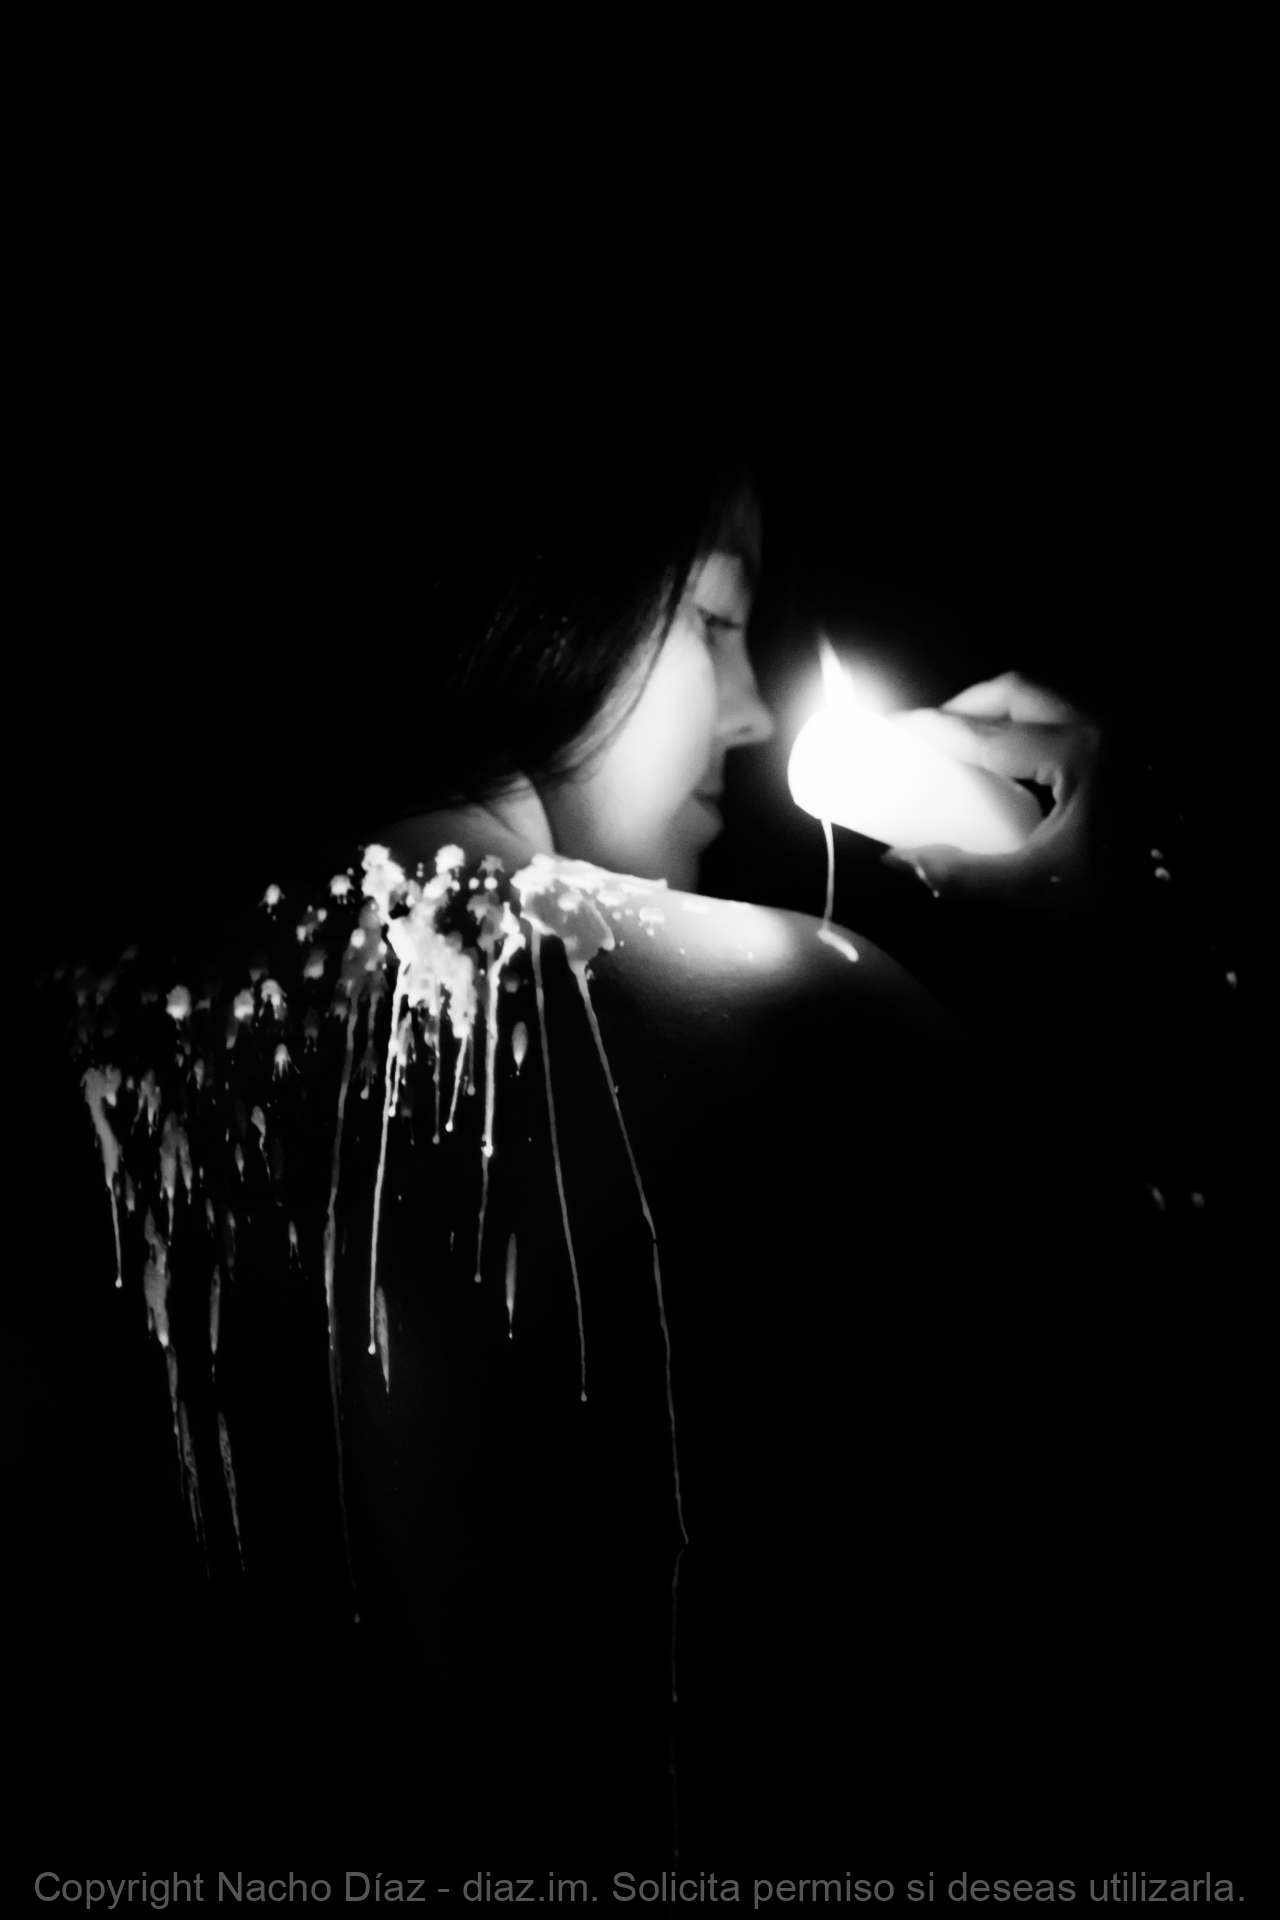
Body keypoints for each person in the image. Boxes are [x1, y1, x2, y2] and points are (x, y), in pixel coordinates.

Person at [28, 447, 1231, 1879]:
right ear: (555, 583)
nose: (752, 710)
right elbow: (1147, 1476)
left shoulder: (92, 1023)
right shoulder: (793, 1006)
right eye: (714, 618)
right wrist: (1140, 941)